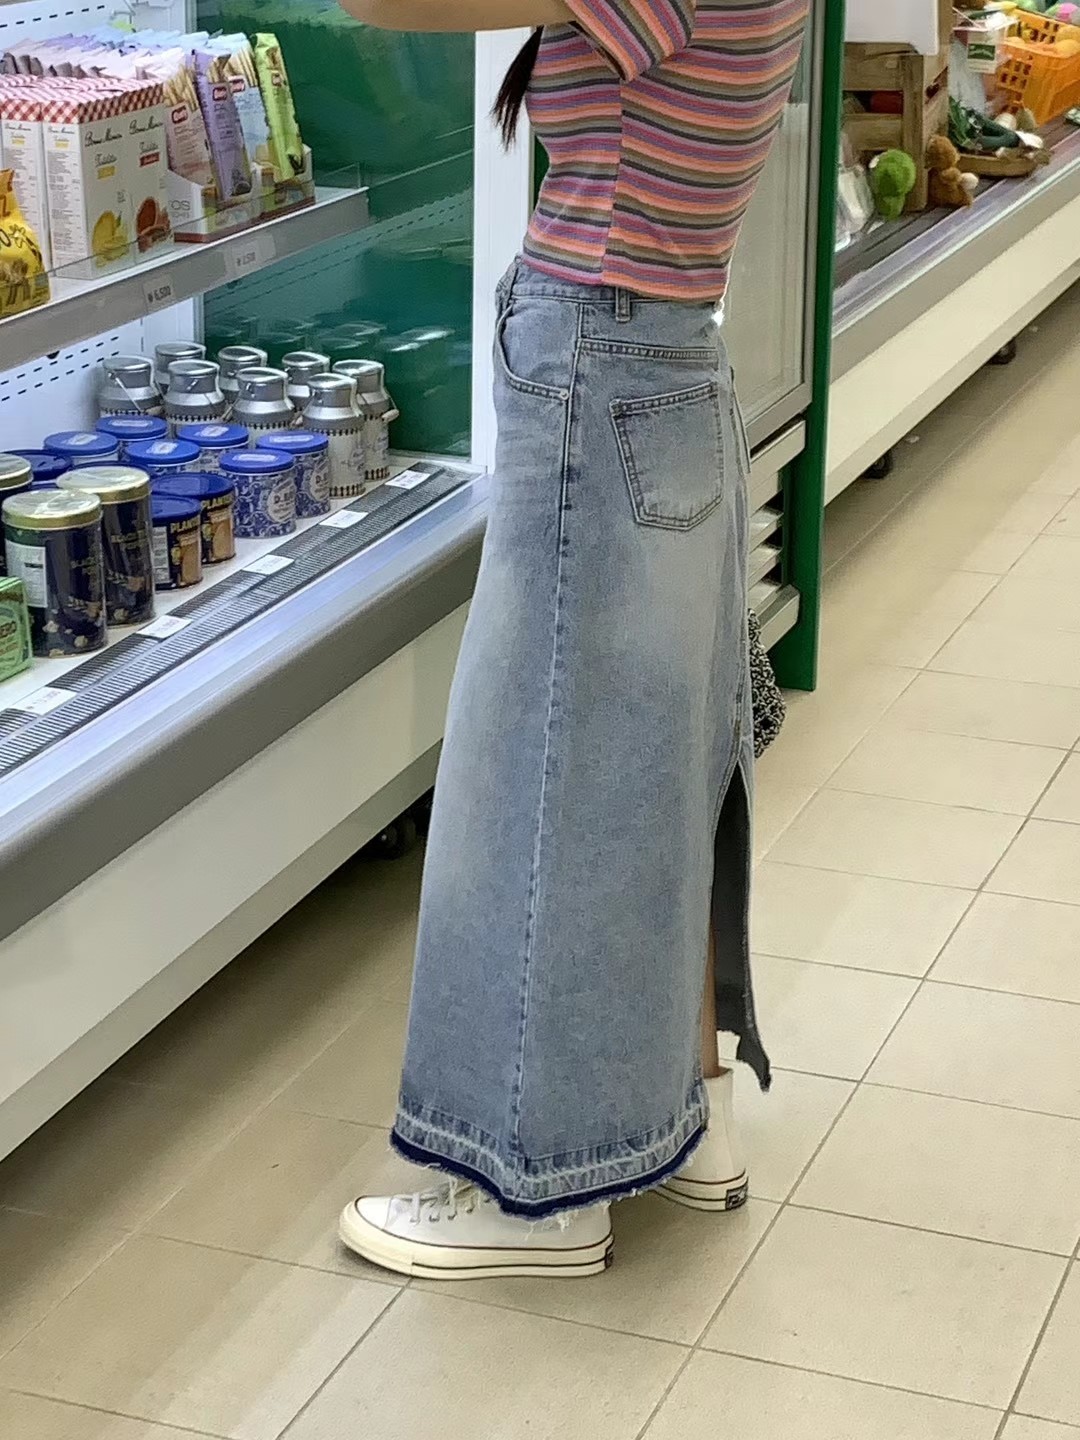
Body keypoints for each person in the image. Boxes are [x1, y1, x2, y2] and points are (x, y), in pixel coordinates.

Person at [337, 0, 808, 1280]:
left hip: (601, 356)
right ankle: (688, 1117)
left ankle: (536, 1197)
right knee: (649, 771)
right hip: (663, 358)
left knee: (536, 785)